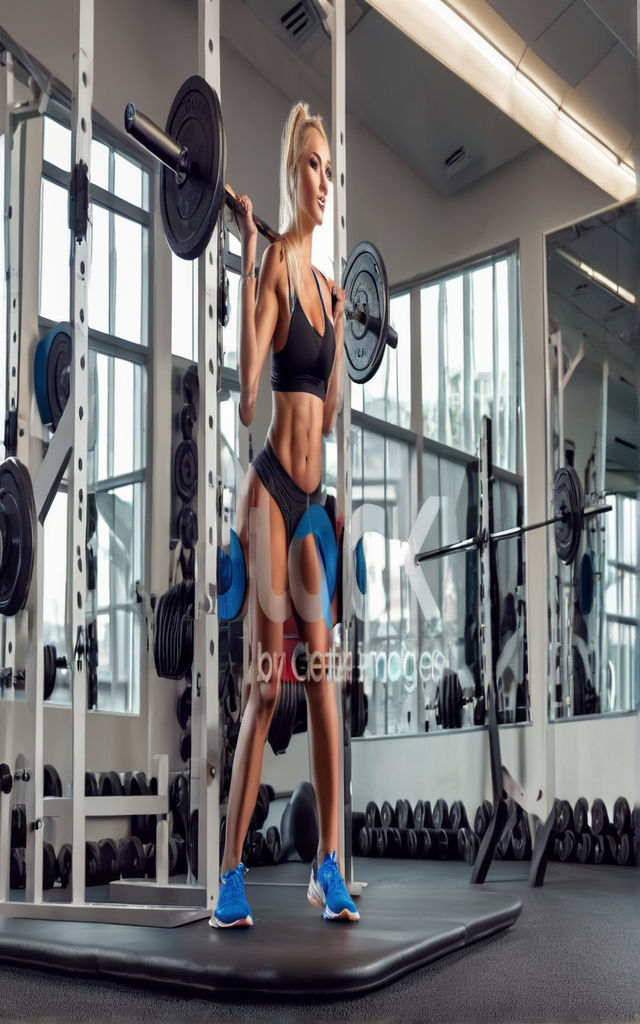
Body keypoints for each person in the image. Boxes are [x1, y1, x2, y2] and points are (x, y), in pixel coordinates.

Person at [211, 101, 359, 928]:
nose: (324, 182)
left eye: (331, 170)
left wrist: (339, 334)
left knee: (327, 682)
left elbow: (327, 417)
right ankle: (228, 874)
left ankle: (326, 866)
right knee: (268, 692)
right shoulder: (275, 261)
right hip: (270, 490)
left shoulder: (333, 296)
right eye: (313, 166)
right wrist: (244, 256)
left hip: (313, 504)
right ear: (290, 173)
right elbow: (246, 399)